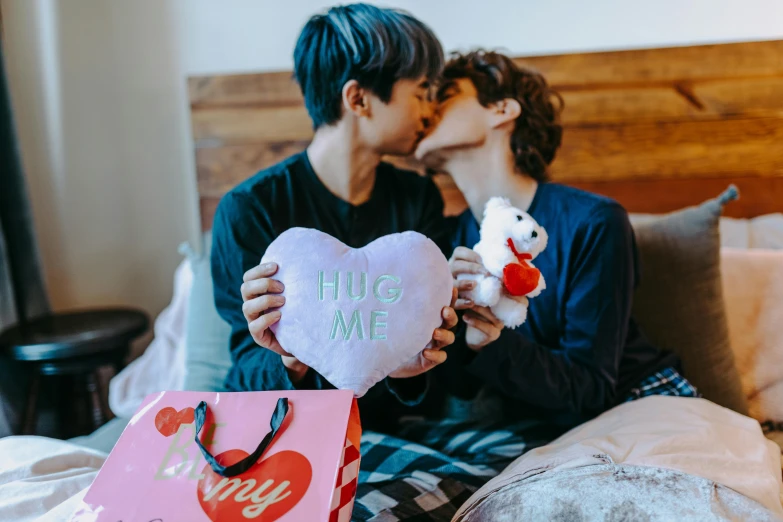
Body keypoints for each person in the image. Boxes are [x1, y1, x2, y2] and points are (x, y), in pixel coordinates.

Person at [416, 50, 699, 431]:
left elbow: (592, 389)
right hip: (529, 432)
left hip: (638, 403)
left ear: (502, 110)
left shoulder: (593, 222)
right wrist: (456, 333)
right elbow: (460, 390)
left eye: (446, 93)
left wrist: (493, 343)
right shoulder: (447, 241)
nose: (428, 108)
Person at [211, 4, 457, 430]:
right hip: (284, 431)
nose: (429, 112)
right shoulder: (250, 208)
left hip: (396, 433)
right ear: (358, 98)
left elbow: (432, 357)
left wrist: (412, 364)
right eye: (420, 92)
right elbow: (247, 361)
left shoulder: (418, 198)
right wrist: (287, 357)